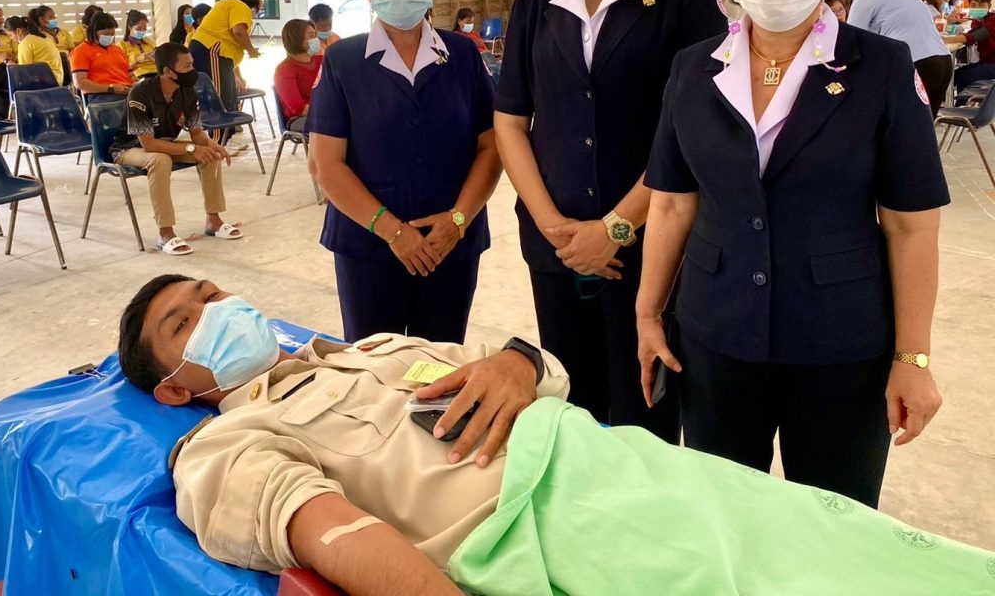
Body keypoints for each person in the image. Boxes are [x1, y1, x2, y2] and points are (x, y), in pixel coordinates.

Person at [115, 274, 995, 595]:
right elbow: (329, 530)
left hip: (614, 459)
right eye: (184, 323)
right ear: (172, 387)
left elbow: (539, 372)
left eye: (210, 295)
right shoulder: (229, 440)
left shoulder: (376, 346)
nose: (216, 312)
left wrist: (518, 363)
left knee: (831, 533)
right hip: (533, 522)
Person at [638, 0, 949, 510]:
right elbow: (669, 204)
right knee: (725, 516)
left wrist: (913, 358)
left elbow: (910, 224)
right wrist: (647, 313)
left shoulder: (882, 68)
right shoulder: (694, 69)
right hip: (715, 335)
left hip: (841, 346)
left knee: (834, 522)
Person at [493, 0, 724, 434]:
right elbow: (510, 121)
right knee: (575, 406)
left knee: (648, 411)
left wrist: (616, 228)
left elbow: (695, 130)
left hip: (651, 246)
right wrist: (555, 228)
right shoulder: (537, 1)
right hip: (558, 248)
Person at [310, 0, 503, 344]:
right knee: (374, 361)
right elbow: (326, 165)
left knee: (440, 362)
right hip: (368, 247)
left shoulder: (463, 55)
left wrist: (458, 220)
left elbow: (490, 147)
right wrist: (394, 232)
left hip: (450, 243)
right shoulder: (343, 61)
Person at [109, 43, 240, 255]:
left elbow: (197, 133)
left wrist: (215, 146)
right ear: (168, 71)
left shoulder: (187, 91)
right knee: (160, 160)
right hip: (129, 149)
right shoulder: (140, 93)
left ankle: (213, 221)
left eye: (192, 65)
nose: (192, 70)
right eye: (187, 66)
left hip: (164, 144)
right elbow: (149, 144)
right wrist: (190, 148)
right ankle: (166, 233)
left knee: (210, 154)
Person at [848, 0, 952, 117]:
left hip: (916, 63)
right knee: (924, 124)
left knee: (900, 122)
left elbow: (852, 40)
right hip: (944, 60)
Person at [189, 0, 262, 144]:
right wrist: (251, 50)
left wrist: (238, 76)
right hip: (210, 52)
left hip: (215, 54)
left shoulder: (228, 5)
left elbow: (231, 46)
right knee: (218, 101)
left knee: (227, 101)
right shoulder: (239, 5)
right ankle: (215, 145)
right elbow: (238, 32)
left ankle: (220, 142)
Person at [69, 12, 134, 103]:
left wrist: (136, 84)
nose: (110, 37)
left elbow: (130, 74)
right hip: (101, 94)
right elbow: (80, 83)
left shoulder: (117, 49)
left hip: (127, 91)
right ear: (93, 31)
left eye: (112, 34)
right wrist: (111, 88)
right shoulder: (81, 51)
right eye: (106, 34)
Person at [273, 18, 323, 130]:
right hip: (300, 119)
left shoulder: (323, 61)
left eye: (315, 35)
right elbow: (298, 108)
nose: (316, 40)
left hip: (324, 113)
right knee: (336, 126)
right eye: (311, 36)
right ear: (296, 39)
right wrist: (329, 112)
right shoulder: (284, 70)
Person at [952, 0, 995, 91]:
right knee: (955, 75)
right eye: (973, 5)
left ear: (989, 6)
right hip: (986, 62)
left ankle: (963, 101)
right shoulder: (976, 22)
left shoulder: (993, 20)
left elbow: (972, 37)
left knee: (965, 77)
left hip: (992, 63)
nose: (977, 8)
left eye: (981, 5)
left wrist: (945, 39)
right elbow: (970, 34)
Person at [3, 15, 63, 85]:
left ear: (18, 31)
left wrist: (6, 61)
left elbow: (23, 73)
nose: (10, 38)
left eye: (10, 35)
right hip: (57, 80)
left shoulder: (25, 43)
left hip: (45, 82)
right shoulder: (43, 38)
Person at [30, 5, 74, 85]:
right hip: (52, 63)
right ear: (41, 20)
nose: (54, 18)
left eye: (54, 16)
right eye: (50, 17)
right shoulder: (40, 35)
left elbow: (72, 50)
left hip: (68, 62)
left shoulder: (63, 32)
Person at [121, 9, 157, 78]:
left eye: (144, 28)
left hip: (156, 72)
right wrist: (137, 60)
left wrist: (154, 56)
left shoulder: (148, 41)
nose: (142, 31)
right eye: (138, 28)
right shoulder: (122, 45)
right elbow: (121, 68)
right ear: (130, 27)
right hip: (140, 74)